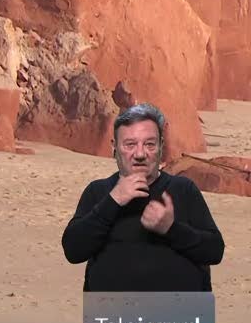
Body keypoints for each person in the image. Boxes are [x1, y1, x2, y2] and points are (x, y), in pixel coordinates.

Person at [61, 103, 225, 292]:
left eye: (149, 144)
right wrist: (113, 200)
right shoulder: (98, 191)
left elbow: (214, 251)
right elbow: (73, 251)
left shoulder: (183, 189)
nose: (140, 154)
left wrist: (171, 229)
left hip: (178, 316)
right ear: (114, 146)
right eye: (130, 144)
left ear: (161, 146)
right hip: (113, 316)